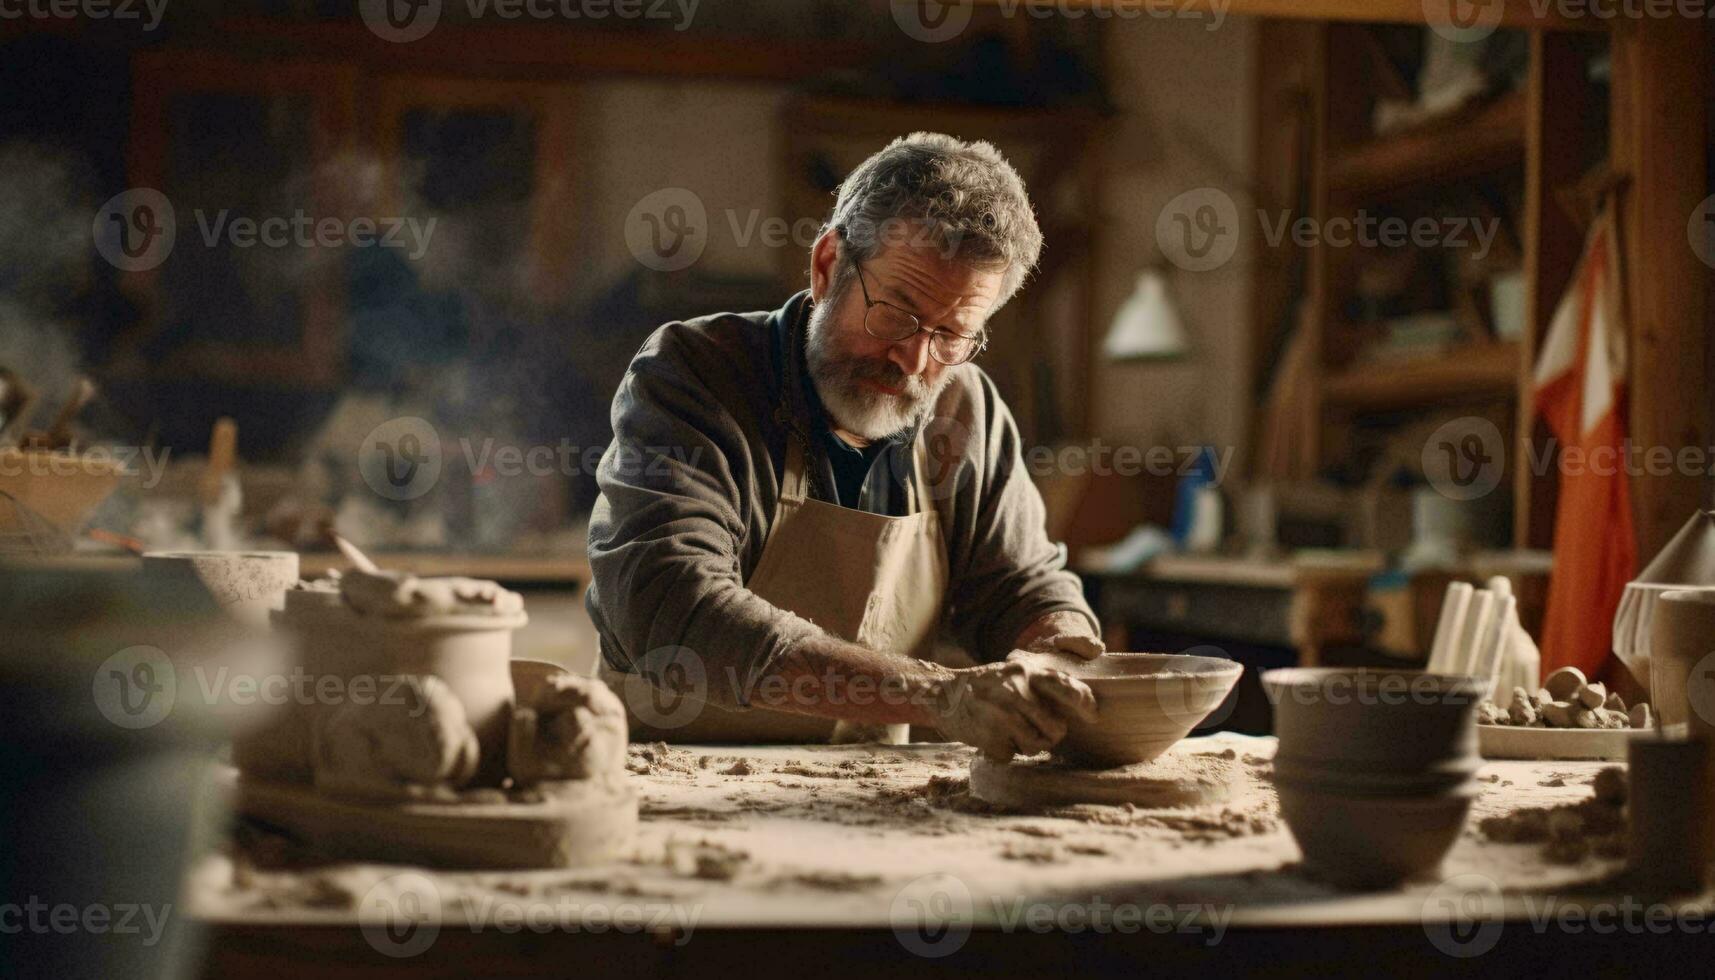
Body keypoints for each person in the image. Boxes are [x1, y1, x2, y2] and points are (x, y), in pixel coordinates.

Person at [586, 133, 1103, 762]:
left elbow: (1023, 587)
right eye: (896, 312)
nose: (913, 359)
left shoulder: (965, 411)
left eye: (951, 334)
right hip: (679, 781)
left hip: (871, 793)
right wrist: (940, 697)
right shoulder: (694, 376)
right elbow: (669, 601)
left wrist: (1054, 660)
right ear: (827, 266)